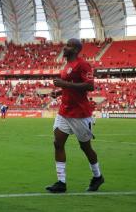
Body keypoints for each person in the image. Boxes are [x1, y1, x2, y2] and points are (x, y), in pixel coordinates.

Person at [46, 38, 104, 193]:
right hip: (64, 112)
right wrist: (58, 92)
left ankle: (98, 176)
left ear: (76, 50)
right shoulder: (67, 65)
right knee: (58, 144)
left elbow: (90, 86)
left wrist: (64, 85)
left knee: (85, 148)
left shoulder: (83, 64)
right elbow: (69, 87)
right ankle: (61, 182)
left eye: (69, 46)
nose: (65, 47)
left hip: (80, 114)